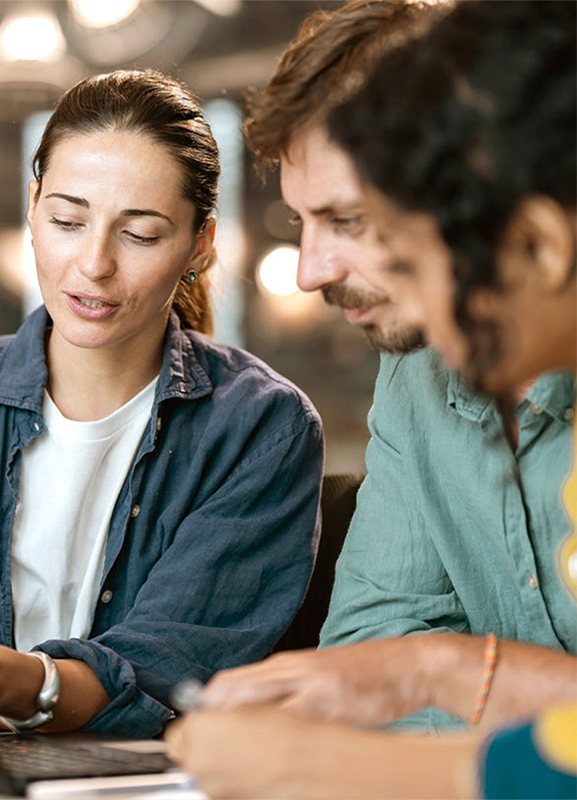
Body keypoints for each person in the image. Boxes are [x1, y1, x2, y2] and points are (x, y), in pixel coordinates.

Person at [0, 69, 323, 738]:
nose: (93, 264)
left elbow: (171, 671)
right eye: (67, 219)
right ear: (33, 211)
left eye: (142, 235)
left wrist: (7, 682)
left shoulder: (260, 427)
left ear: (199, 246)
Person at [169, 2, 576, 797]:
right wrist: (420, 675)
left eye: (411, 254)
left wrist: (340, 751)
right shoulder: (427, 377)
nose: (315, 268)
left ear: (537, 243)